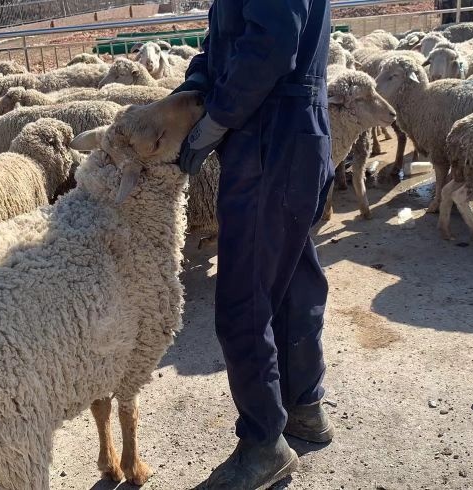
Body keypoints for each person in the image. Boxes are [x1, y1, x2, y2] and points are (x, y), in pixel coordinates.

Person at [171, 0, 335, 487]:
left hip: (269, 138)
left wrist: (219, 115)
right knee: (292, 281)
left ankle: (264, 445)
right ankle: (304, 407)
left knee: (245, 297)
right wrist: (196, 83)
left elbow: (273, 38)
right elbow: (229, 40)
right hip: (295, 132)